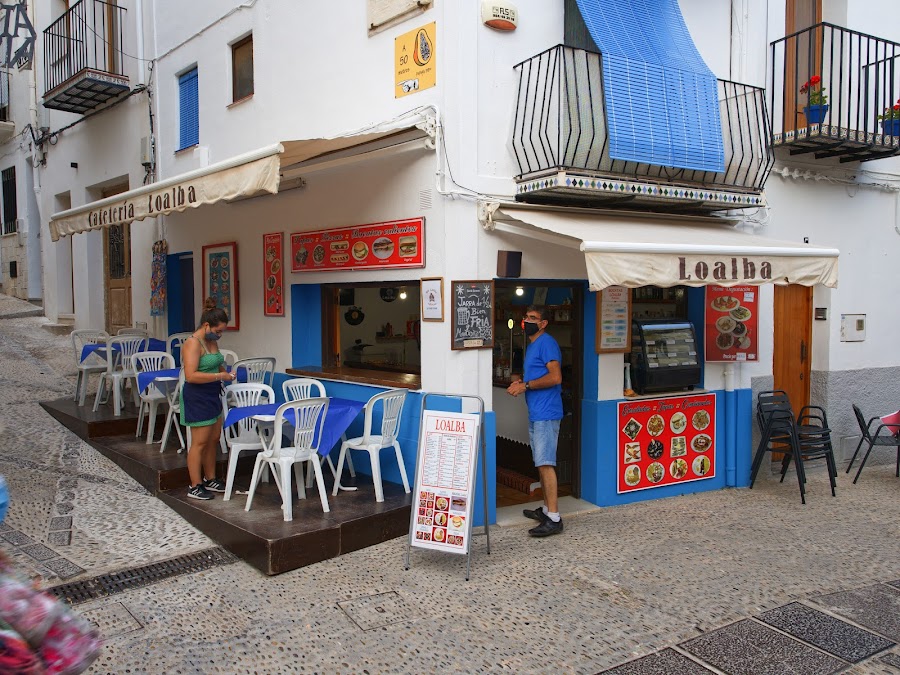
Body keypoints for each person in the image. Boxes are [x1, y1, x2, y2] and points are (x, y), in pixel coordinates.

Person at [507, 305, 564, 537]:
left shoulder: (547, 343)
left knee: (546, 463)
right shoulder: (533, 345)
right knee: (541, 462)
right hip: (537, 412)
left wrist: (526, 385)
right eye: (526, 316)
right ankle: (546, 510)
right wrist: (521, 381)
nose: (527, 321)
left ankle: (554, 518)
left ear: (543, 323)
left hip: (546, 413)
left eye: (533, 318)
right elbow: (537, 374)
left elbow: (555, 377)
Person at [181, 298, 236, 500]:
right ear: (206, 325)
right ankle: (195, 484)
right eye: (218, 330)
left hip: (213, 393)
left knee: (213, 438)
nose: (220, 334)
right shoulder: (192, 344)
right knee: (200, 442)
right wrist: (219, 376)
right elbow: (190, 375)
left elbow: (215, 362)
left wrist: (225, 373)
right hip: (197, 396)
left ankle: (210, 477)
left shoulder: (211, 341)